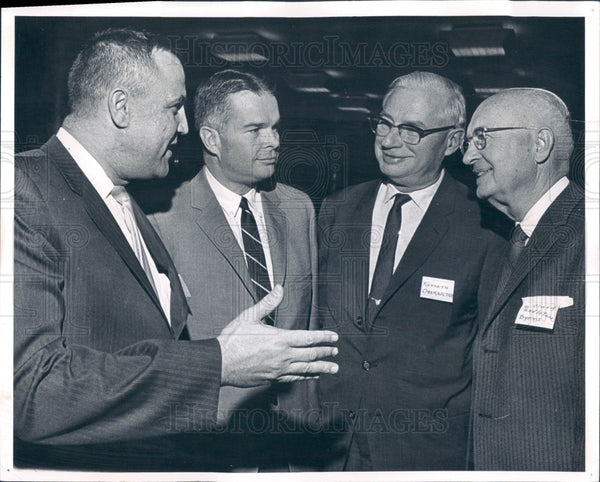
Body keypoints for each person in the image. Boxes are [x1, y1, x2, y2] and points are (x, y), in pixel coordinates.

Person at [13, 28, 338, 472]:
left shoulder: (126, 203)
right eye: (174, 108)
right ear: (121, 108)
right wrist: (219, 361)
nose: (184, 127)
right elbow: (32, 392)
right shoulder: (24, 189)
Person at [315, 71, 497, 471]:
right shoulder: (337, 210)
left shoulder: (484, 226)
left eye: (412, 130)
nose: (390, 140)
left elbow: (490, 355)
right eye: (385, 123)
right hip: (331, 445)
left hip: (425, 452)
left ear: (452, 141)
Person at [147, 69, 319, 470]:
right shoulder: (160, 218)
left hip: (294, 444)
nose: (274, 142)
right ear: (211, 139)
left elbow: (311, 322)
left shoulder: (298, 208)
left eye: (276, 128)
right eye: (256, 130)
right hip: (209, 446)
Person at [462, 88, 584, 471]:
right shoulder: (501, 245)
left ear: (540, 144)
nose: (467, 157)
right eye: (467, 143)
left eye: (482, 138)